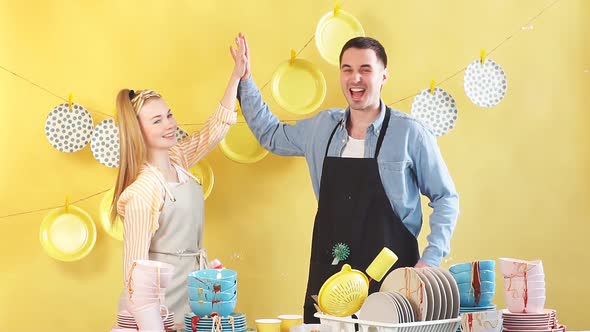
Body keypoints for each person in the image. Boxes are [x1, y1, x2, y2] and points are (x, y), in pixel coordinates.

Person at [231, 34, 459, 322]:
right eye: (347, 69)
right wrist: (246, 79)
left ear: (383, 76)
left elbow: (446, 197)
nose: (355, 79)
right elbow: (272, 135)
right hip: (331, 277)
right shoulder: (321, 128)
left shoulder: (409, 132)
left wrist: (430, 259)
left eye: (365, 69)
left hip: (394, 283)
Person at [111, 36, 249, 326]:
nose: (170, 124)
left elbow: (213, 131)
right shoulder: (143, 192)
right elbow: (135, 276)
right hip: (156, 310)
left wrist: (236, 76)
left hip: (192, 294)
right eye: (157, 120)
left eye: (169, 115)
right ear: (138, 131)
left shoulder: (177, 160)